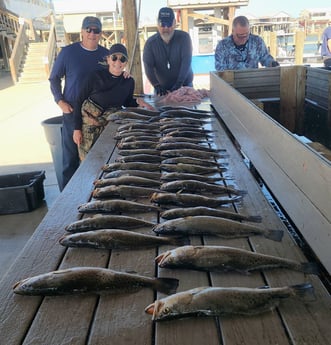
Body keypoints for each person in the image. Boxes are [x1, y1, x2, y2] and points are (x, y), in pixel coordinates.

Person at [49, 16, 109, 191]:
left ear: (100, 33)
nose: (92, 33)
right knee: (70, 160)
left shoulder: (106, 55)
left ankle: (93, 197)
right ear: (82, 31)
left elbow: (115, 75)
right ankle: (66, 202)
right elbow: (54, 79)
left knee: (97, 159)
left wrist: (125, 76)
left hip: (96, 117)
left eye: (96, 30)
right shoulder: (68, 52)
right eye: (88, 29)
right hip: (72, 113)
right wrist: (60, 101)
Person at [72, 43, 154, 161]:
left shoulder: (129, 81)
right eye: (114, 58)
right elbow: (79, 101)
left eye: (122, 59)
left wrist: (139, 102)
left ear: (126, 62)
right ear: (108, 59)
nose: (118, 62)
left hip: (110, 127)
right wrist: (77, 129)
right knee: (87, 161)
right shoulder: (95, 76)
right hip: (88, 128)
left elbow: (127, 102)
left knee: (108, 159)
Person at [143, 7, 194, 96]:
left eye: (169, 24)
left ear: (174, 23)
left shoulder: (184, 38)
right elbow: (148, 66)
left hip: (184, 86)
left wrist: (179, 84)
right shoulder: (150, 43)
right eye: (162, 24)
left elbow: (186, 61)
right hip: (161, 89)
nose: (166, 27)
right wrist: (156, 85)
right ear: (157, 24)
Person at [215, 16, 279, 72]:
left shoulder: (257, 41)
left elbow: (265, 58)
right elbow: (220, 69)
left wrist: (272, 63)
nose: (244, 38)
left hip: (252, 81)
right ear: (233, 31)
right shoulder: (222, 46)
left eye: (247, 35)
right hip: (230, 84)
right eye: (240, 36)